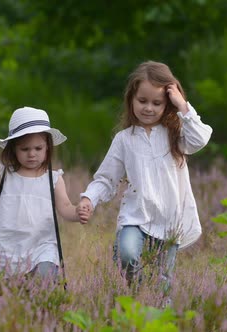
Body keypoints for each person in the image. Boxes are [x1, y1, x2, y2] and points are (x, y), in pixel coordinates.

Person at [77, 61, 213, 298]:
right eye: (142, 101)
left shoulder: (175, 134)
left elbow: (200, 138)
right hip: (136, 216)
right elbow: (107, 178)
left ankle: (154, 311)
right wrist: (90, 198)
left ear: (167, 103)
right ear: (131, 99)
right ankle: (140, 293)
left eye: (157, 103)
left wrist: (182, 104)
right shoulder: (124, 139)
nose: (148, 108)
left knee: (162, 284)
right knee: (128, 254)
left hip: (170, 221)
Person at [0, 106, 87, 280]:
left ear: (47, 148)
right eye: (25, 149)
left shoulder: (54, 179)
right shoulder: (4, 176)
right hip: (7, 246)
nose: (32, 154)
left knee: (44, 278)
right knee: (7, 294)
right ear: (13, 148)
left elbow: (65, 207)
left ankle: (44, 305)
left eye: (38, 148)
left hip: (42, 246)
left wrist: (77, 213)